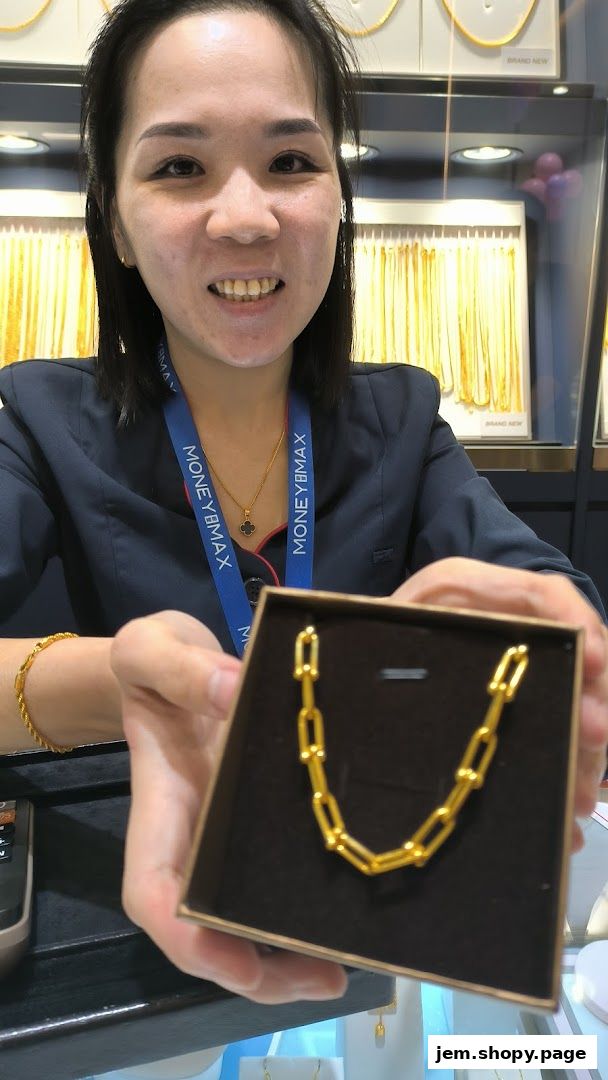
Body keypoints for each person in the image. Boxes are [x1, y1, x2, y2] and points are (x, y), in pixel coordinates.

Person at [1, 0, 607, 1007]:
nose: (245, 217)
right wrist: (121, 680)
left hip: (384, 900)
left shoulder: (401, 417)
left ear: (338, 192)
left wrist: (555, 634)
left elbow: (533, 578)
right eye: (179, 167)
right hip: (142, 926)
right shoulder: (33, 416)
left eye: (290, 162)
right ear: (112, 213)